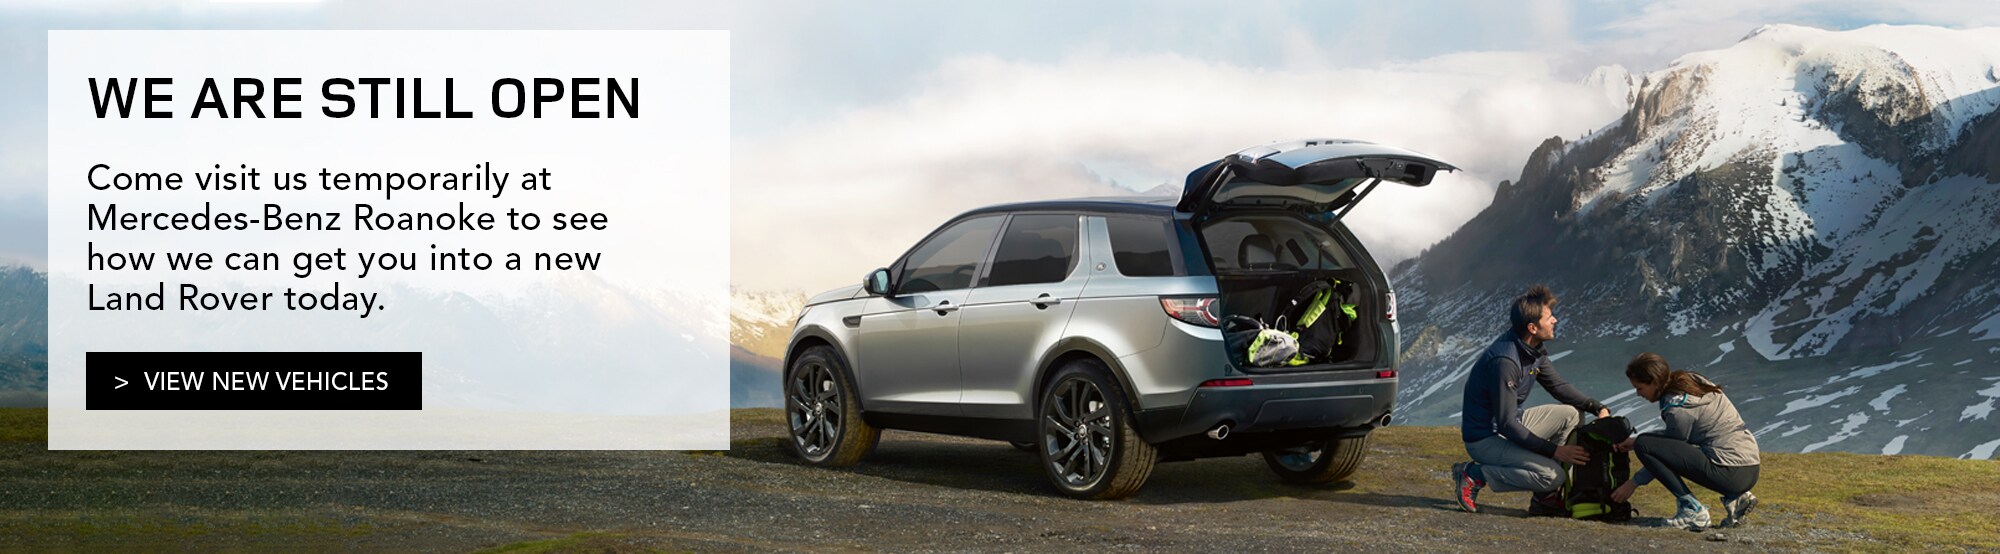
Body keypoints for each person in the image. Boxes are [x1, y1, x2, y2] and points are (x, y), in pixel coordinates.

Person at [1450, 285, 1610, 515]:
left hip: (1510, 425)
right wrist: (1555, 451)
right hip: (1486, 439)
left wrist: (1598, 407)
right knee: (1552, 475)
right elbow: (1506, 423)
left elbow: (1558, 386)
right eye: (1549, 317)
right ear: (1532, 327)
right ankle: (1475, 474)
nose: (1555, 320)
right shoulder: (1505, 361)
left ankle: (1545, 499)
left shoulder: (1532, 349)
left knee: (1571, 415)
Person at [1609, 352, 1761, 530]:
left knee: (1644, 444)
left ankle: (1693, 511)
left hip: (1730, 471)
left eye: (1640, 388)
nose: (1637, 394)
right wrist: (1635, 442)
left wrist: (1633, 482)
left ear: (1655, 382)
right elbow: (1674, 442)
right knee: (1643, 442)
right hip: (1749, 466)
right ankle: (1738, 499)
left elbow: (1666, 451)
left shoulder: (1677, 408)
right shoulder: (1691, 381)